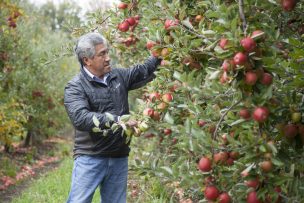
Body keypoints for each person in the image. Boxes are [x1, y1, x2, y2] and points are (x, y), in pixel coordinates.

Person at [64, 32, 161, 203]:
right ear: (87, 60)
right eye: (102, 54)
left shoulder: (118, 76)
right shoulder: (75, 86)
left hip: (118, 156)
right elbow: (81, 118)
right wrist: (118, 121)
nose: (108, 58)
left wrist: (161, 49)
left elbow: (144, 70)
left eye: (107, 52)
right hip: (90, 157)